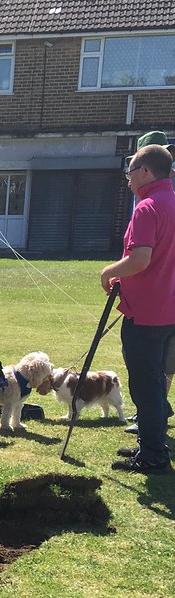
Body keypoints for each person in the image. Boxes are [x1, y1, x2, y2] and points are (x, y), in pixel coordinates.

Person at [101, 143, 175, 474]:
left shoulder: (147, 207)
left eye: (130, 171)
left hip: (147, 311)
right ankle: (152, 444)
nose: (128, 179)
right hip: (169, 309)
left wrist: (109, 271)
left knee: (146, 384)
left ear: (144, 171)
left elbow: (140, 260)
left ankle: (153, 456)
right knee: (156, 381)